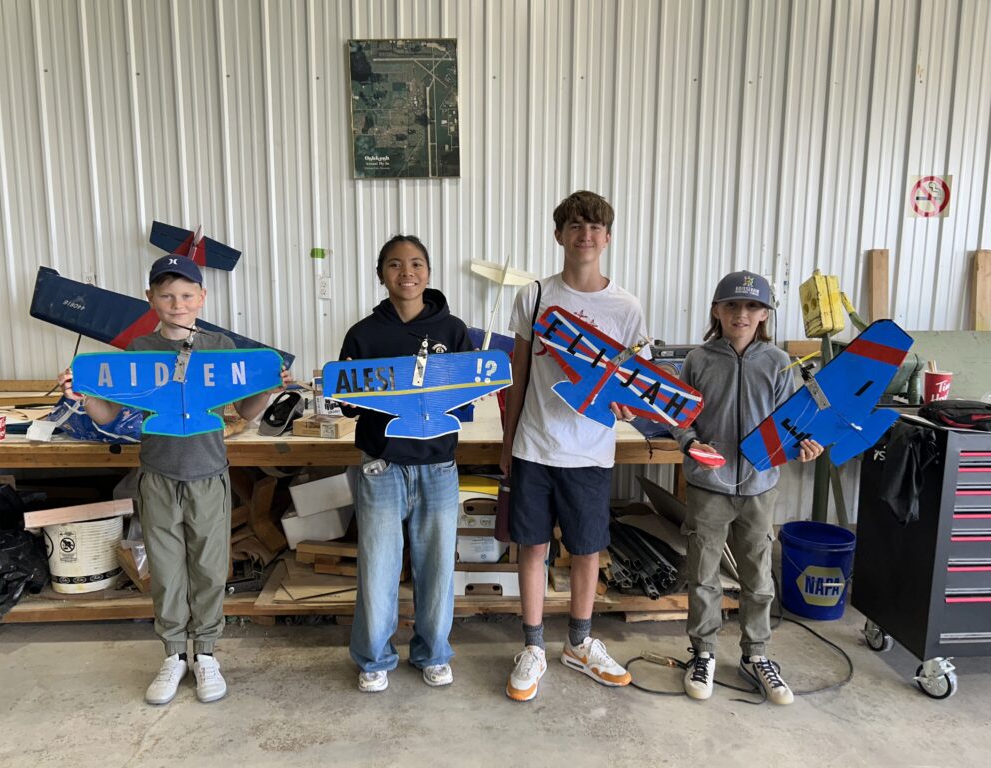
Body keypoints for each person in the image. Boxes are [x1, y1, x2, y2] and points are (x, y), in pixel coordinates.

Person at [58, 254, 291, 705]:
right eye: (167, 295)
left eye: (186, 295)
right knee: (165, 570)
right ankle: (173, 654)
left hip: (208, 473)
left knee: (209, 568)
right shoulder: (139, 351)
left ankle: (205, 653)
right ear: (151, 298)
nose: (177, 304)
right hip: (157, 475)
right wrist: (83, 396)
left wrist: (268, 386)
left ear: (202, 297)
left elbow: (246, 412)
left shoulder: (222, 347)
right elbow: (107, 415)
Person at [499, 190, 645, 701]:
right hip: (535, 447)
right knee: (532, 547)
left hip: (590, 452)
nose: (586, 234)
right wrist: (507, 442)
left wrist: (630, 406)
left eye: (595, 226)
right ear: (559, 235)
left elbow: (633, 382)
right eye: (575, 225)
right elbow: (518, 375)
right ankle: (533, 646)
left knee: (586, 549)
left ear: (608, 238)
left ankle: (579, 643)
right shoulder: (535, 296)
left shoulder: (626, 307)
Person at [670, 270, 823, 705]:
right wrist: (690, 443)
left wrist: (804, 446)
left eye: (753, 306)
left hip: (759, 487)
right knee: (703, 575)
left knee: (758, 576)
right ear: (716, 311)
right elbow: (680, 415)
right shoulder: (697, 361)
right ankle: (703, 652)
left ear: (765, 314)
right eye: (732, 305)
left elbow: (793, 423)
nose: (742, 313)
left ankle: (756, 655)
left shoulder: (778, 363)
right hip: (708, 486)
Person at [339, 234, 472, 693]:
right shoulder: (363, 333)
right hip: (381, 465)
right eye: (395, 264)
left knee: (437, 567)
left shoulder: (454, 331)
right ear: (381, 275)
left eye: (416, 263)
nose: (407, 272)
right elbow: (348, 404)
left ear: (429, 273)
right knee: (377, 566)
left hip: (438, 465)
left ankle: (433, 652)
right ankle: (374, 657)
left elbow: (466, 399)